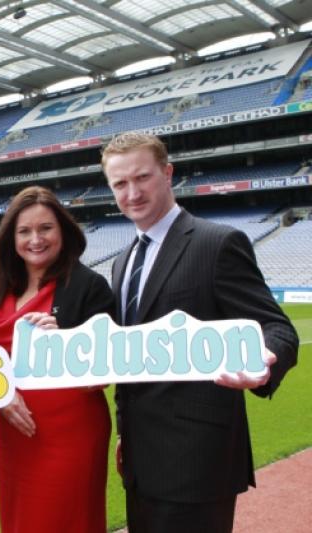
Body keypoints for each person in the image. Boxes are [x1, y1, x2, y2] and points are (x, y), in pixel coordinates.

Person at [102, 132, 298, 533]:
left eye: (142, 177)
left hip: (198, 461)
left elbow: (278, 328)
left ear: (167, 173)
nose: (132, 193)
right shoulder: (123, 262)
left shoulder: (217, 243)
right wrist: (126, 433)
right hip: (140, 461)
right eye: (120, 183)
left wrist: (264, 362)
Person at [0, 185, 115, 533]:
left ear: (63, 231)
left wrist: (66, 344)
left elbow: (108, 368)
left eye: (45, 228)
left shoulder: (89, 286)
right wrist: (0, 394)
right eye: (24, 231)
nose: (35, 239)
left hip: (72, 436)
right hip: (13, 434)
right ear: (11, 238)